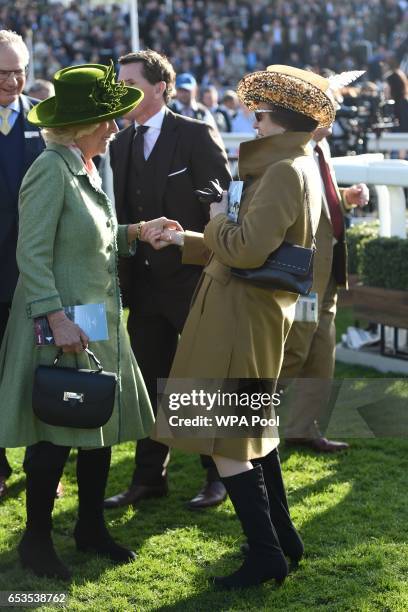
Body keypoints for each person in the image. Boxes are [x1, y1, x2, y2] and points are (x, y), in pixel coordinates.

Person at [143, 66, 335, 590]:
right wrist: (186, 239)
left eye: (261, 115)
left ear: (279, 120)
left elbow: (246, 248)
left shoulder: (281, 171)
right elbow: (255, 249)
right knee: (253, 435)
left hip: (240, 319)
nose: (253, 122)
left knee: (227, 442)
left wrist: (210, 219)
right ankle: (283, 541)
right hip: (249, 315)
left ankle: (266, 555)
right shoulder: (294, 165)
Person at [0, 62, 162, 580]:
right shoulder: (51, 168)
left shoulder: (86, 166)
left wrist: (137, 232)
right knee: (53, 435)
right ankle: (36, 542)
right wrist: (54, 317)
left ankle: (91, 528)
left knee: (97, 424)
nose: (115, 128)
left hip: (94, 318)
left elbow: (94, 238)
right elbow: (33, 252)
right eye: (108, 120)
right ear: (82, 127)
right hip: (60, 322)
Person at [104, 50, 231, 511]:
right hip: (143, 287)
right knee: (150, 382)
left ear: (160, 87)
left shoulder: (195, 135)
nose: (123, 92)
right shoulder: (117, 145)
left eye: (131, 83)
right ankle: (148, 477)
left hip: (194, 282)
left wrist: (189, 243)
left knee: (201, 379)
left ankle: (217, 475)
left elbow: (223, 213)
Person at [282, 123, 369, 452]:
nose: (332, 117)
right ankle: (242, 422)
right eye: (326, 109)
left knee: (321, 353)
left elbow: (320, 209)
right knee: (292, 353)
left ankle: (303, 428)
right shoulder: (290, 152)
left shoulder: (320, 149)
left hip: (328, 270)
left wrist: (345, 199)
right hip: (302, 274)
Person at [0, 30, 45, 500]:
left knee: (38, 373)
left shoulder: (44, 118)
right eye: (4, 73)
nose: (15, 81)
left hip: (34, 275)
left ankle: (41, 469)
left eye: (21, 71)